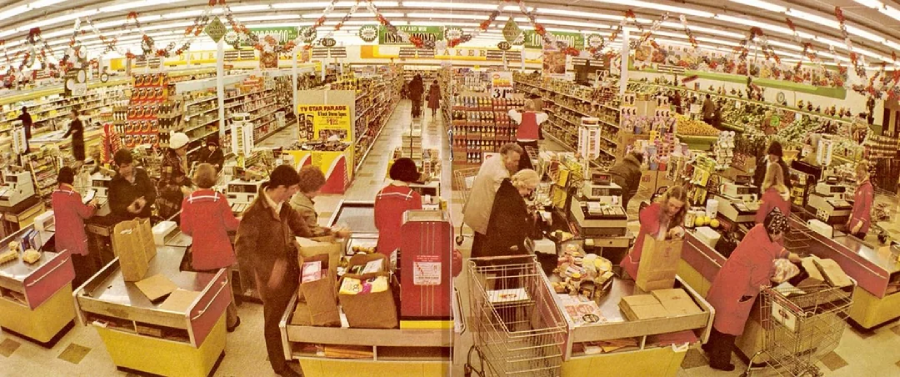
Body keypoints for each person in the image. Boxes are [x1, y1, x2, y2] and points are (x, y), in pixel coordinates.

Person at [235, 165, 314, 377]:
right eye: (293, 188)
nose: (295, 193)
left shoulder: (283, 206)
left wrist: (329, 233)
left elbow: (303, 229)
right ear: (281, 187)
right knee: (273, 320)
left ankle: (290, 352)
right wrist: (268, 271)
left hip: (289, 270)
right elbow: (243, 251)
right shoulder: (254, 214)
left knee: (288, 315)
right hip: (270, 280)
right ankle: (279, 366)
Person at [704, 209, 801, 371]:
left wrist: (786, 254)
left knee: (719, 317)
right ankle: (719, 361)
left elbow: (772, 245)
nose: (781, 237)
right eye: (780, 234)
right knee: (728, 328)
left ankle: (708, 346)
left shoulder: (758, 230)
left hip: (727, 280)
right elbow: (758, 281)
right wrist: (773, 282)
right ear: (775, 230)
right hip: (740, 290)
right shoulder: (763, 253)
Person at [180, 163, 241, 332]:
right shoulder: (218, 199)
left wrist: (200, 232)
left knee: (206, 291)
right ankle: (231, 321)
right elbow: (230, 224)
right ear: (213, 179)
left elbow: (185, 228)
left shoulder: (188, 201)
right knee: (225, 288)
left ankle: (212, 325)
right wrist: (242, 220)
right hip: (221, 252)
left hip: (201, 254)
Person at [463, 143, 523, 257]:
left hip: (476, 203)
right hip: (485, 208)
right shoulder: (501, 174)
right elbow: (504, 198)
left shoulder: (493, 159)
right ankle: (483, 263)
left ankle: (477, 262)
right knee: (486, 236)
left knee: (479, 236)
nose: (517, 164)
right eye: (515, 160)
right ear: (506, 157)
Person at [620, 186, 687, 279]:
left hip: (657, 265)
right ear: (666, 200)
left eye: (677, 208)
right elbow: (655, 234)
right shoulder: (653, 209)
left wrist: (680, 229)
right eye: (671, 205)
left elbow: (682, 228)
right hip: (638, 262)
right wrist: (668, 232)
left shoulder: (678, 215)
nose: (673, 210)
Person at [477, 169, 541, 258]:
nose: (529, 193)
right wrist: (513, 244)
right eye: (529, 189)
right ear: (522, 184)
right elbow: (505, 225)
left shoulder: (506, 191)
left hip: (497, 242)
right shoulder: (511, 200)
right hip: (506, 247)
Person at [53, 166, 99, 287]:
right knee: (80, 268)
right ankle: (83, 288)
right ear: (72, 178)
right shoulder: (73, 194)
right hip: (74, 237)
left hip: (62, 238)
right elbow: (86, 213)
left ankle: (73, 288)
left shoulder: (55, 194)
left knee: (70, 267)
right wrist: (93, 205)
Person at [374, 158, 423, 256]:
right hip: (405, 250)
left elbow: (378, 224)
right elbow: (417, 228)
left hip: (383, 248)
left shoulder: (380, 194)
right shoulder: (414, 197)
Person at [290, 165, 351, 238]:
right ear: (311, 189)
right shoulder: (306, 210)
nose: (320, 191)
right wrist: (338, 234)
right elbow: (315, 234)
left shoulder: (295, 198)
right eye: (318, 189)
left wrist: (328, 229)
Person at [108, 148, 156, 221]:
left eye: (128, 165)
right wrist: (128, 208)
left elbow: (153, 192)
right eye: (123, 167)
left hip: (145, 218)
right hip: (127, 222)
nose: (127, 169)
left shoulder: (141, 174)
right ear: (118, 167)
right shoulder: (114, 183)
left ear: (132, 163)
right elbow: (113, 207)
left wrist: (145, 200)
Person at [157, 132, 193, 220]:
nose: (185, 152)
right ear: (177, 148)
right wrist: (181, 190)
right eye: (184, 149)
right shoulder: (168, 163)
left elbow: (178, 178)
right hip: (170, 207)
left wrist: (191, 182)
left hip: (177, 204)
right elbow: (163, 187)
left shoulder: (177, 158)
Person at [508, 100, 549, 171]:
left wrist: (518, 109)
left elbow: (510, 112)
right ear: (533, 108)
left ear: (525, 107)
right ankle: (531, 172)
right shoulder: (537, 117)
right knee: (532, 160)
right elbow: (546, 115)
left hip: (521, 141)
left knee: (520, 160)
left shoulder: (520, 116)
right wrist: (536, 112)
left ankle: (521, 172)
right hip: (532, 141)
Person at [848, 162, 874, 239]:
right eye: (858, 173)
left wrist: (858, 226)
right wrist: (850, 219)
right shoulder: (860, 186)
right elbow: (855, 205)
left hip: (860, 228)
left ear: (865, 173)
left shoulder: (868, 187)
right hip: (854, 223)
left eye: (860, 173)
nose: (859, 175)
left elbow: (867, 209)